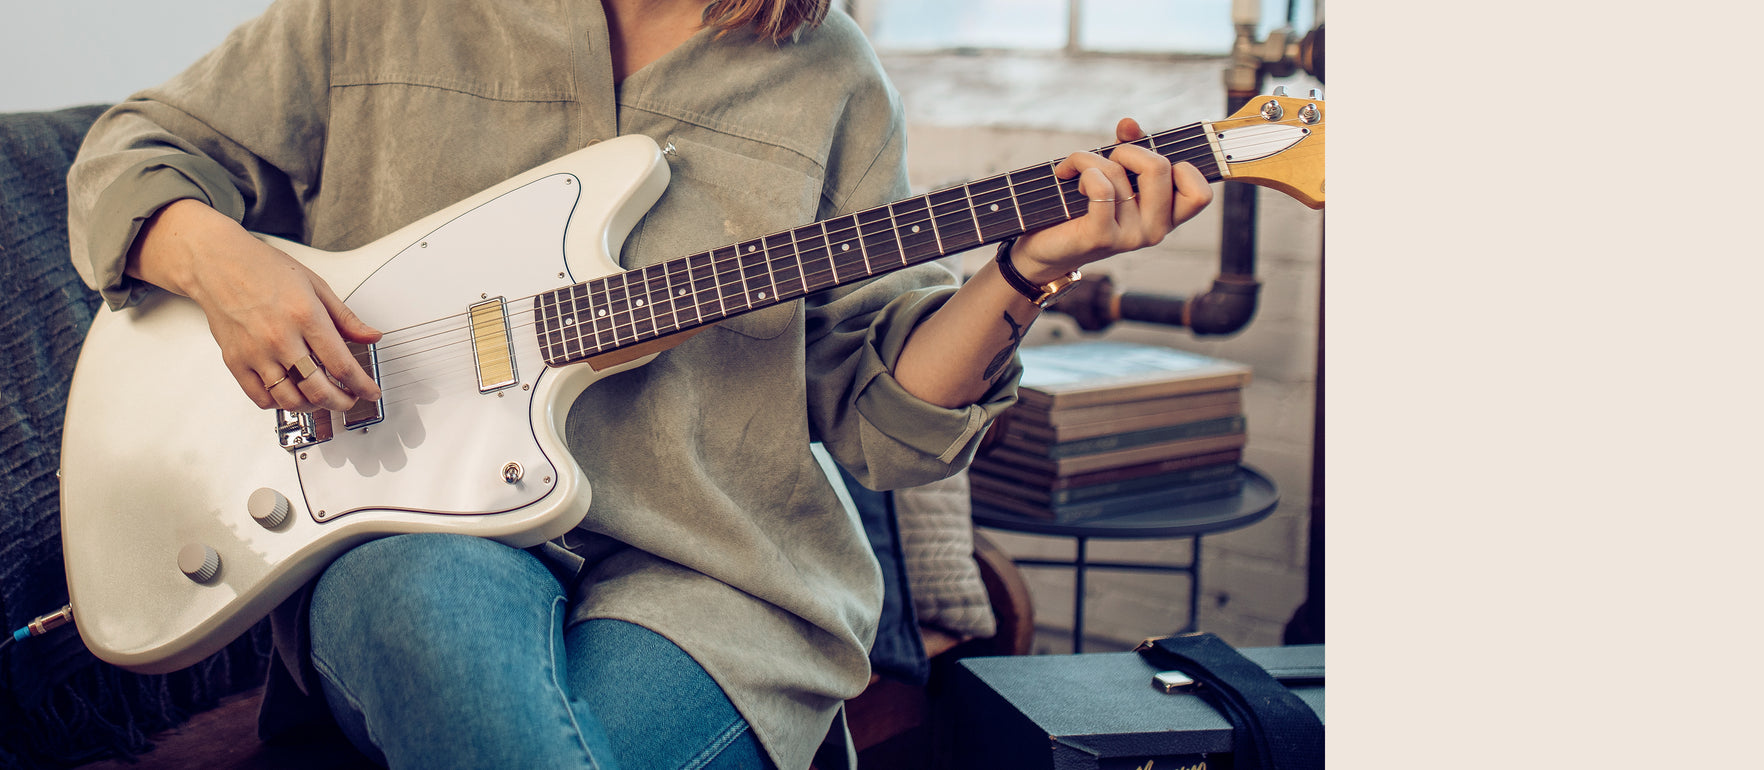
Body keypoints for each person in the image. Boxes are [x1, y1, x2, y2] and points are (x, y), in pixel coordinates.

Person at [66, 0, 1213, 768]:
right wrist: (229, 269)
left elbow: (877, 418)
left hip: (717, 580)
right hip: (405, 532)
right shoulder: (381, 12)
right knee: (426, 606)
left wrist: (1026, 266)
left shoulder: (830, 80)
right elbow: (131, 154)